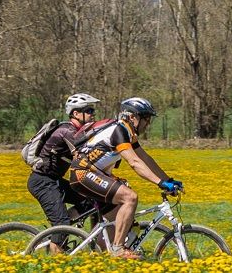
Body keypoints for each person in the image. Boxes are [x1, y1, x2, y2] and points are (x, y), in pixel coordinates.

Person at [70, 97, 182, 259]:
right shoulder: (119, 131)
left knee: (113, 218)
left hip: (92, 174)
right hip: (82, 174)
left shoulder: (128, 132)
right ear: (132, 117)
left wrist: (168, 180)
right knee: (130, 198)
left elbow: (145, 159)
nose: (148, 124)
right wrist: (160, 183)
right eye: (146, 119)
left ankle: (102, 255)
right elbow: (135, 162)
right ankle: (117, 249)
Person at [26, 92, 102, 253]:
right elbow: (84, 158)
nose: (92, 114)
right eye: (88, 111)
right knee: (62, 223)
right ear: (76, 113)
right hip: (42, 181)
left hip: (54, 181)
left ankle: (56, 234)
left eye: (92, 111)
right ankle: (57, 255)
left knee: (90, 202)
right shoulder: (68, 131)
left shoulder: (76, 132)